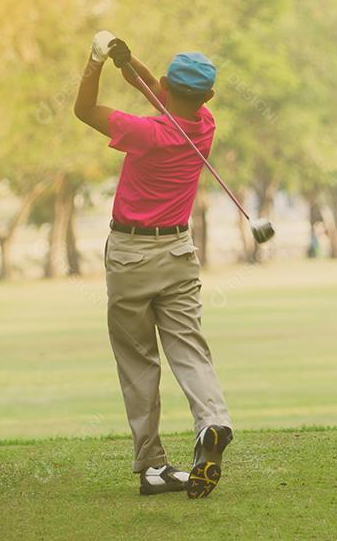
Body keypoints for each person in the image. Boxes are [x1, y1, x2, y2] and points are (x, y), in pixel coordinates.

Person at [73, 37, 232, 499]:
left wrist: (96, 60)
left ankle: (153, 464)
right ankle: (213, 421)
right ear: (208, 96)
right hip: (179, 253)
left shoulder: (144, 132)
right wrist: (127, 61)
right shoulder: (205, 125)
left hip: (131, 256)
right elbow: (147, 85)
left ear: (166, 84)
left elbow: (84, 110)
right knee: (189, 348)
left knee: (138, 360)